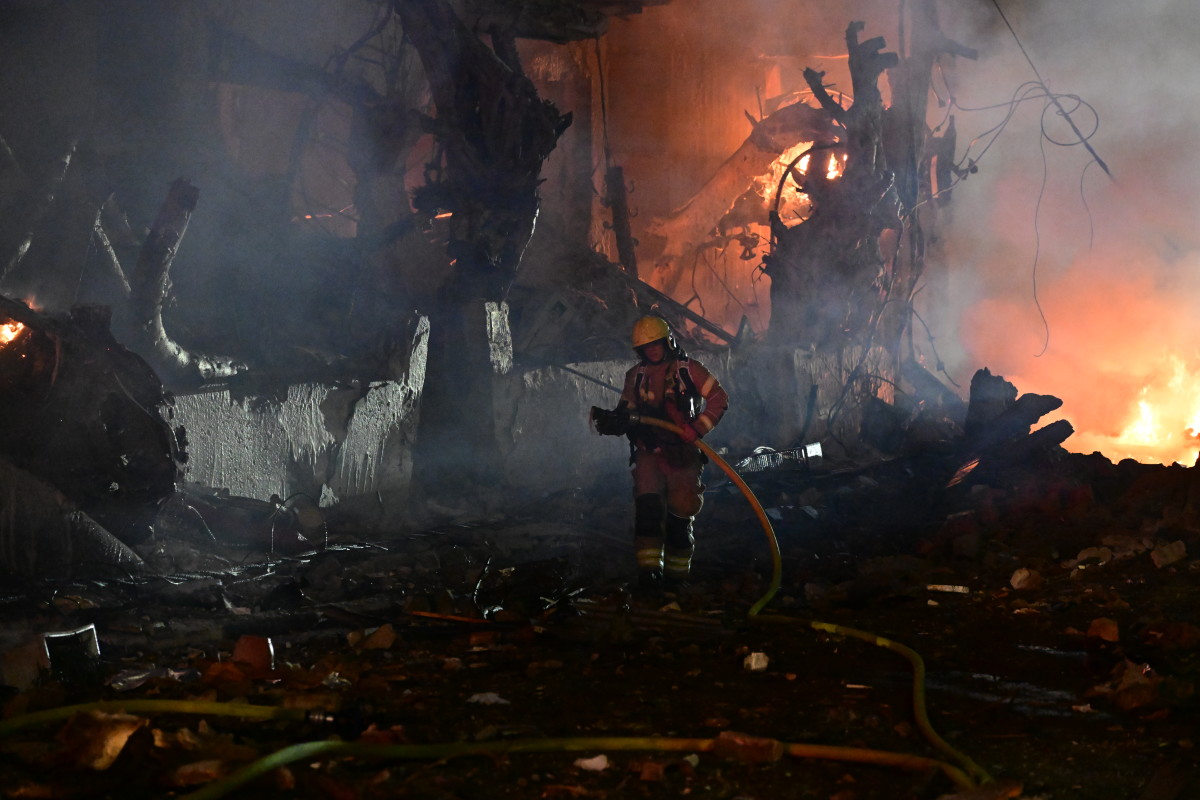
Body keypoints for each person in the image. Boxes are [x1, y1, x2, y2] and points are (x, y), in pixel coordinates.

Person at [592, 315, 729, 588]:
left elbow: (719, 399)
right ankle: (649, 573)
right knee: (648, 511)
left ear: (668, 342)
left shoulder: (688, 370)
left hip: (682, 453)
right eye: (646, 347)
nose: (652, 350)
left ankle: (677, 578)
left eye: (656, 344)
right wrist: (615, 421)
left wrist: (697, 428)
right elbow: (628, 411)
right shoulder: (636, 376)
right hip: (649, 452)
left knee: (680, 514)